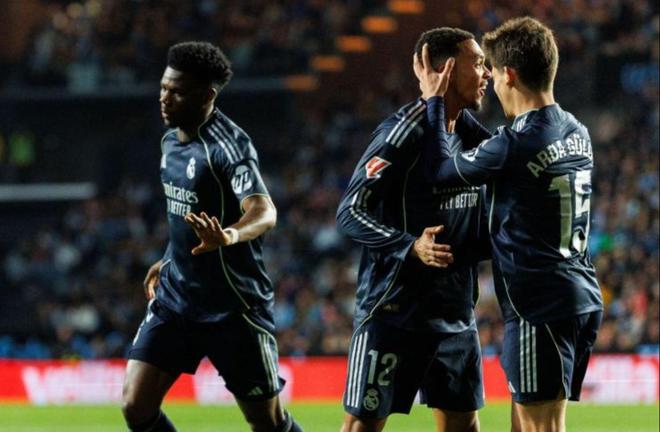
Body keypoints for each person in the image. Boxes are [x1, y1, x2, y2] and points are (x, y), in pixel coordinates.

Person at [416, 17, 603, 432]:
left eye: (494, 73)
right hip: (577, 295)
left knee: (542, 428)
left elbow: (440, 169)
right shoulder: (576, 130)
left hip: (538, 306)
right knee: (530, 424)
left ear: (510, 75)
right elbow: (501, 151)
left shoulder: (516, 143)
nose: (492, 82)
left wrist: (435, 102)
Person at [121, 41, 302, 432]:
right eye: (163, 87)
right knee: (135, 406)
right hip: (177, 299)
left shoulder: (229, 146)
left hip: (232, 308)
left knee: (268, 422)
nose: (164, 98)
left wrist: (229, 235)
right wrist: (170, 258)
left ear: (206, 96)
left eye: (176, 91)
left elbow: (265, 211)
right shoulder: (169, 142)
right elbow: (183, 214)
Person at [335, 27, 492, 432]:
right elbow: (350, 211)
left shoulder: (472, 136)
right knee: (362, 426)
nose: (487, 73)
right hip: (395, 311)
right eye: (478, 63)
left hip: (455, 314)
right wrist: (410, 246)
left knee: (464, 426)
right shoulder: (404, 131)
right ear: (446, 70)